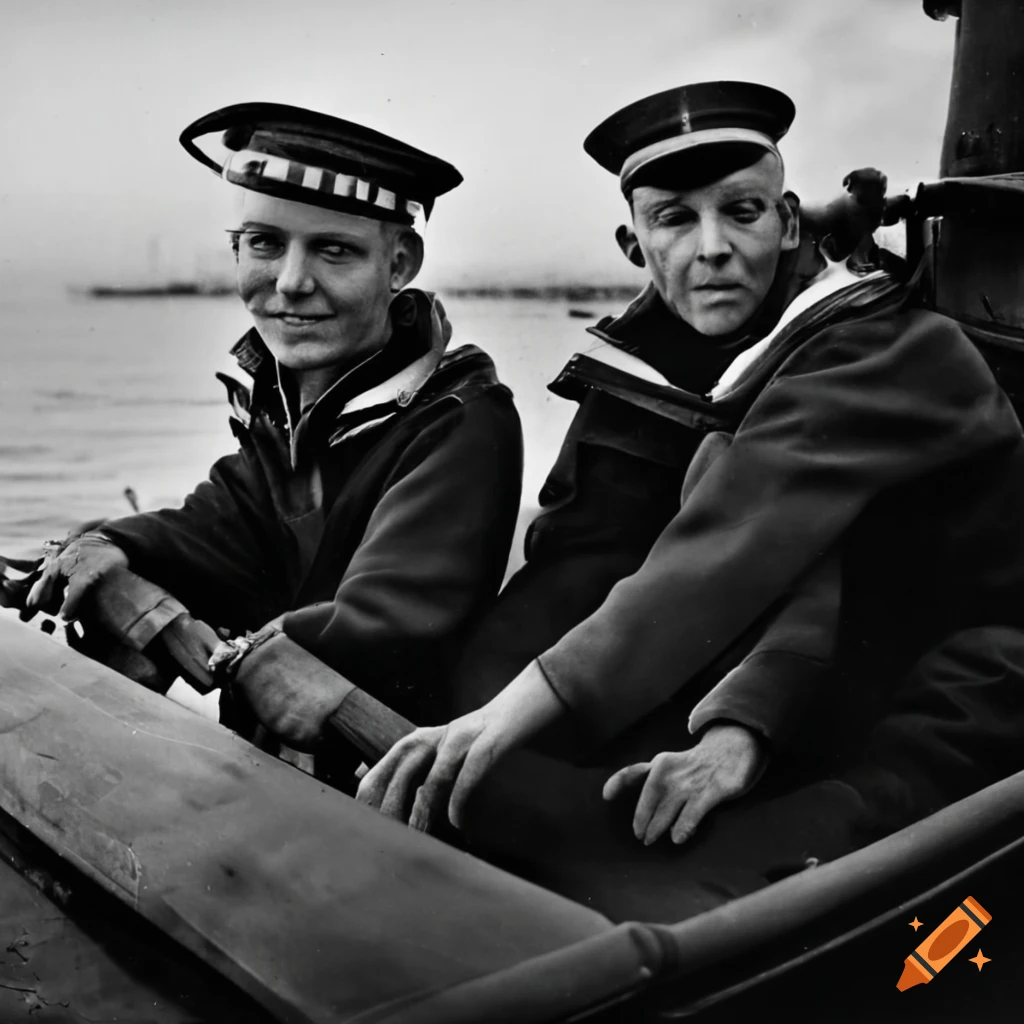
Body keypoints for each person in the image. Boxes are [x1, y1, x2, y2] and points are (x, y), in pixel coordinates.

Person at [356, 82, 1024, 919]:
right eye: (675, 218)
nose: (712, 248)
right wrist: (468, 716)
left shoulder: (887, 347)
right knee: (498, 801)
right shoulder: (651, 371)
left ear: (787, 225)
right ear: (634, 243)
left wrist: (512, 721)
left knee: (733, 883)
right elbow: (578, 563)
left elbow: (724, 549)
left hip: (954, 675)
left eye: (740, 212)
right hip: (796, 668)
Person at [22, 102, 524, 775]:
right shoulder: (291, 403)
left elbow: (389, 623)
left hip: (379, 788)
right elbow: (218, 526)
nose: (290, 282)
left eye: (334, 249)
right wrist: (114, 543)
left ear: (399, 262)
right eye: (264, 243)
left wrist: (234, 644)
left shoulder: (460, 420)